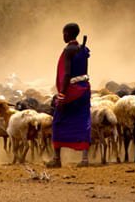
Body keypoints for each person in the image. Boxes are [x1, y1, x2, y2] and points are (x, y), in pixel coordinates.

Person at [45, 22, 90, 167]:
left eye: (64, 33)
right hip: (84, 89)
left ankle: (57, 159)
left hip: (72, 91)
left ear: (68, 34)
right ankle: (84, 159)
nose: (63, 36)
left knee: (58, 121)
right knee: (83, 121)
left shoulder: (69, 50)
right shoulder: (82, 49)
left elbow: (66, 74)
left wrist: (62, 94)